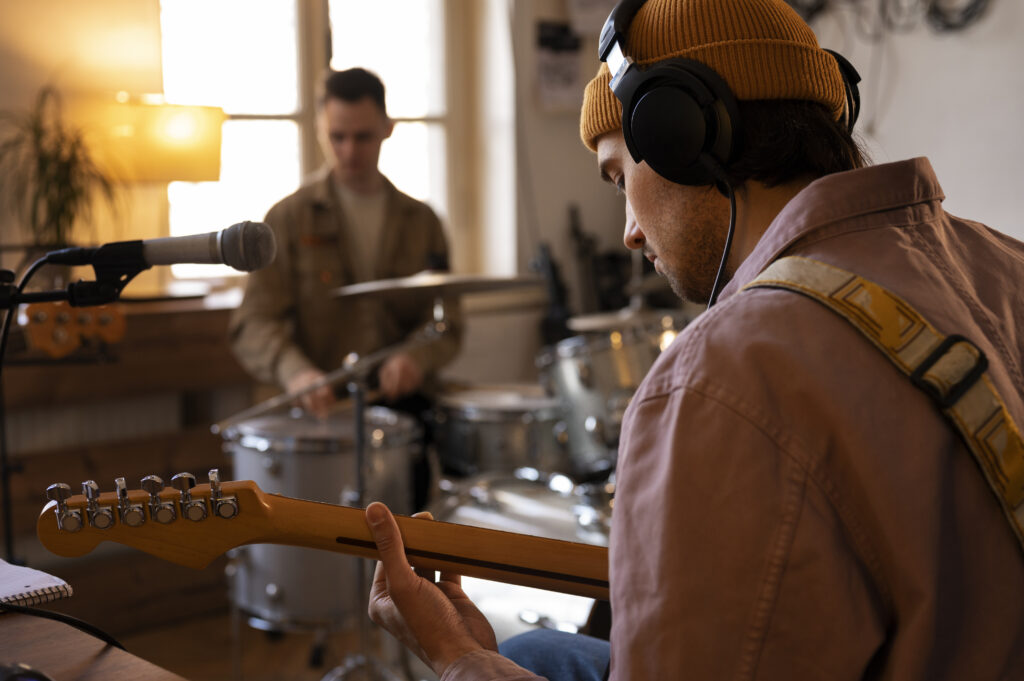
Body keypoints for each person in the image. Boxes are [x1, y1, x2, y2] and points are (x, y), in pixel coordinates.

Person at [362, 1, 1024, 680]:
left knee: (512, 654)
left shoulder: (717, 378)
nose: (629, 231)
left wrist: (457, 657)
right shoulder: (1007, 265)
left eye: (621, 178)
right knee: (539, 653)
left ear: (680, 134)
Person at [230, 67, 461, 417]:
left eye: (363, 137)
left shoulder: (423, 221)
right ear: (320, 129)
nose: (349, 151)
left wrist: (416, 358)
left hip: (405, 409)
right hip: (321, 414)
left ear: (388, 129)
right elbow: (253, 322)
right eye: (337, 137)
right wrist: (296, 372)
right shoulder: (288, 218)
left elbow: (447, 318)